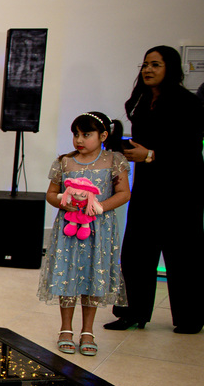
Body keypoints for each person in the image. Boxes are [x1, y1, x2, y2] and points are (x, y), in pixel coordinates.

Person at [105, 46, 204, 334]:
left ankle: (190, 318)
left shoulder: (188, 103)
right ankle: (132, 313)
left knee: (182, 255)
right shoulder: (142, 101)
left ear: (170, 68)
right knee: (136, 253)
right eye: (145, 64)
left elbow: (189, 150)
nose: (148, 70)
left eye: (155, 64)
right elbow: (142, 145)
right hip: (148, 187)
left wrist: (150, 155)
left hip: (182, 190)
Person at [37, 112, 131, 356]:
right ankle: (65, 329)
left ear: (103, 136)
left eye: (86, 134)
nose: (79, 140)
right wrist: (63, 201)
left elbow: (124, 193)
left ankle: (88, 331)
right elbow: (51, 194)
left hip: (99, 229)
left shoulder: (114, 160)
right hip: (69, 228)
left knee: (92, 274)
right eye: (76, 134)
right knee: (67, 274)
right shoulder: (64, 162)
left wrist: (99, 207)